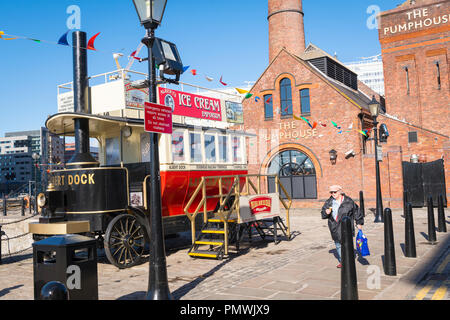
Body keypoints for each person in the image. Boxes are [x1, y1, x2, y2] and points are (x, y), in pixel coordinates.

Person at [321, 185, 364, 268]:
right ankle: (343, 261)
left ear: (340, 191)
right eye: (331, 192)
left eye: (335, 192)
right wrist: (326, 213)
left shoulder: (348, 201)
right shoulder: (329, 202)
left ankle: (349, 260)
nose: (333, 194)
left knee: (347, 244)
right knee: (338, 245)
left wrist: (359, 222)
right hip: (334, 226)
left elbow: (357, 212)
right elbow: (323, 214)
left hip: (346, 227)